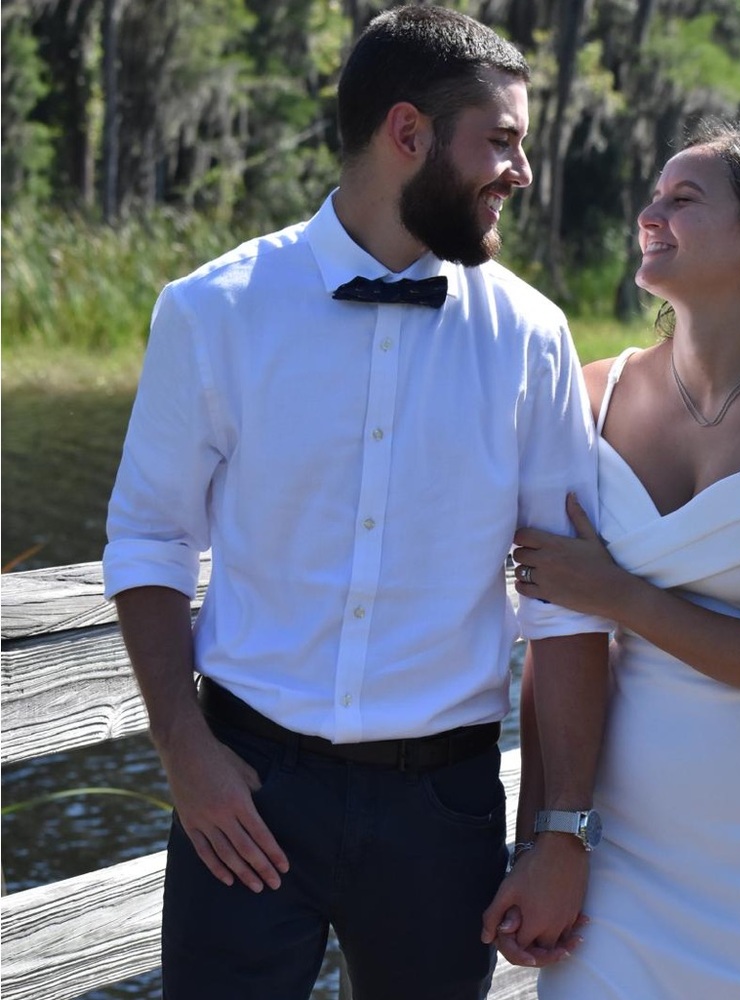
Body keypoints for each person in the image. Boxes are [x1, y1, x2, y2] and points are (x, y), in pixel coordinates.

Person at [102, 7, 611, 999]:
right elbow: (150, 538)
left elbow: (567, 602)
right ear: (407, 133)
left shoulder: (533, 337)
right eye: (500, 140)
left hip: (444, 810)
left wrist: (560, 832)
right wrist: (184, 748)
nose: (522, 170)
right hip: (243, 791)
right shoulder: (213, 310)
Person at [502, 119, 740, 998]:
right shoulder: (587, 397)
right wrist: (542, 839)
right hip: (619, 846)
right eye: (653, 195)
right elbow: (556, 635)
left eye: (684, 199)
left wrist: (623, 595)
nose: (652, 213)